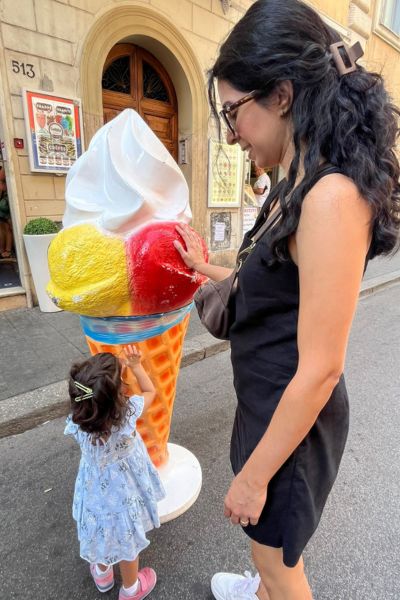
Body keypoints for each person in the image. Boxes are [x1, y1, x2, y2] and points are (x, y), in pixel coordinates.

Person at [174, 1, 400, 598]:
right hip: (268, 404)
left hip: (293, 425)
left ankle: (268, 586)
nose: (230, 134)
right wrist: (205, 266)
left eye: (233, 113)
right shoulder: (296, 181)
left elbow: (323, 368)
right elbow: (268, 275)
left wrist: (251, 478)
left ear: (280, 95)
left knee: (280, 563)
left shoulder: (329, 197)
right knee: (265, 549)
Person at [65, 345, 165, 600]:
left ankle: (102, 574)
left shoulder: (78, 420)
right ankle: (131, 588)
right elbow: (151, 390)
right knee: (126, 537)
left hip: (94, 493)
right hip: (124, 490)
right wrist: (135, 365)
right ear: (117, 396)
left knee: (100, 529)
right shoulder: (128, 412)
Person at [0, 166, 13, 259]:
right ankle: (6, 251)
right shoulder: (3, 168)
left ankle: (3, 250)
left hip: (3, 206)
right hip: (3, 205)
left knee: (4, 229)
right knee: (7, 229)